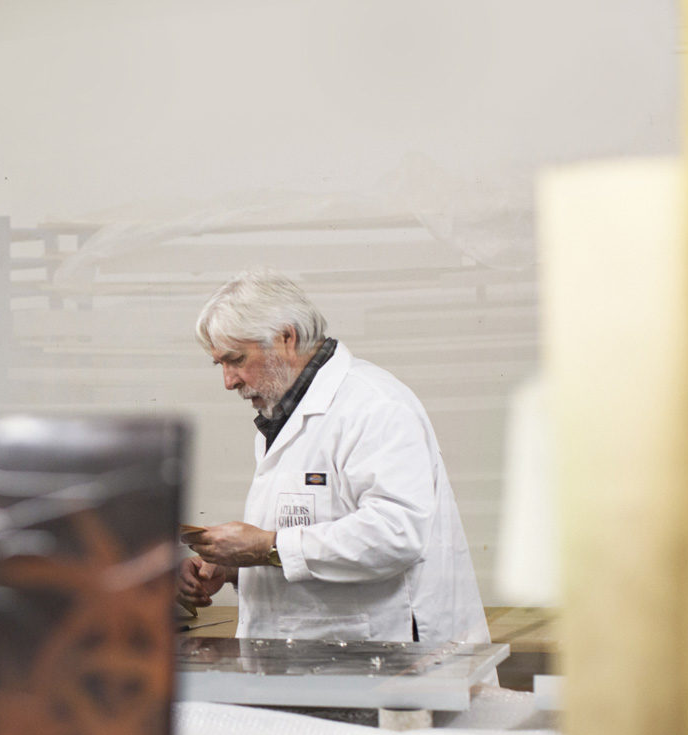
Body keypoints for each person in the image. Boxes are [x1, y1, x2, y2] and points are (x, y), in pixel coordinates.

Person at [178, 269, 490, 644]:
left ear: (286, 338)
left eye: (237, 359)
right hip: (310, 656)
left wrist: (266, 547)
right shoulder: (282, 414)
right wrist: (233, 565)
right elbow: (309, 532)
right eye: (221, 365)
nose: (229, 381)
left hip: (385, 654)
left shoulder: (374, 406)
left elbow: (397, 534)